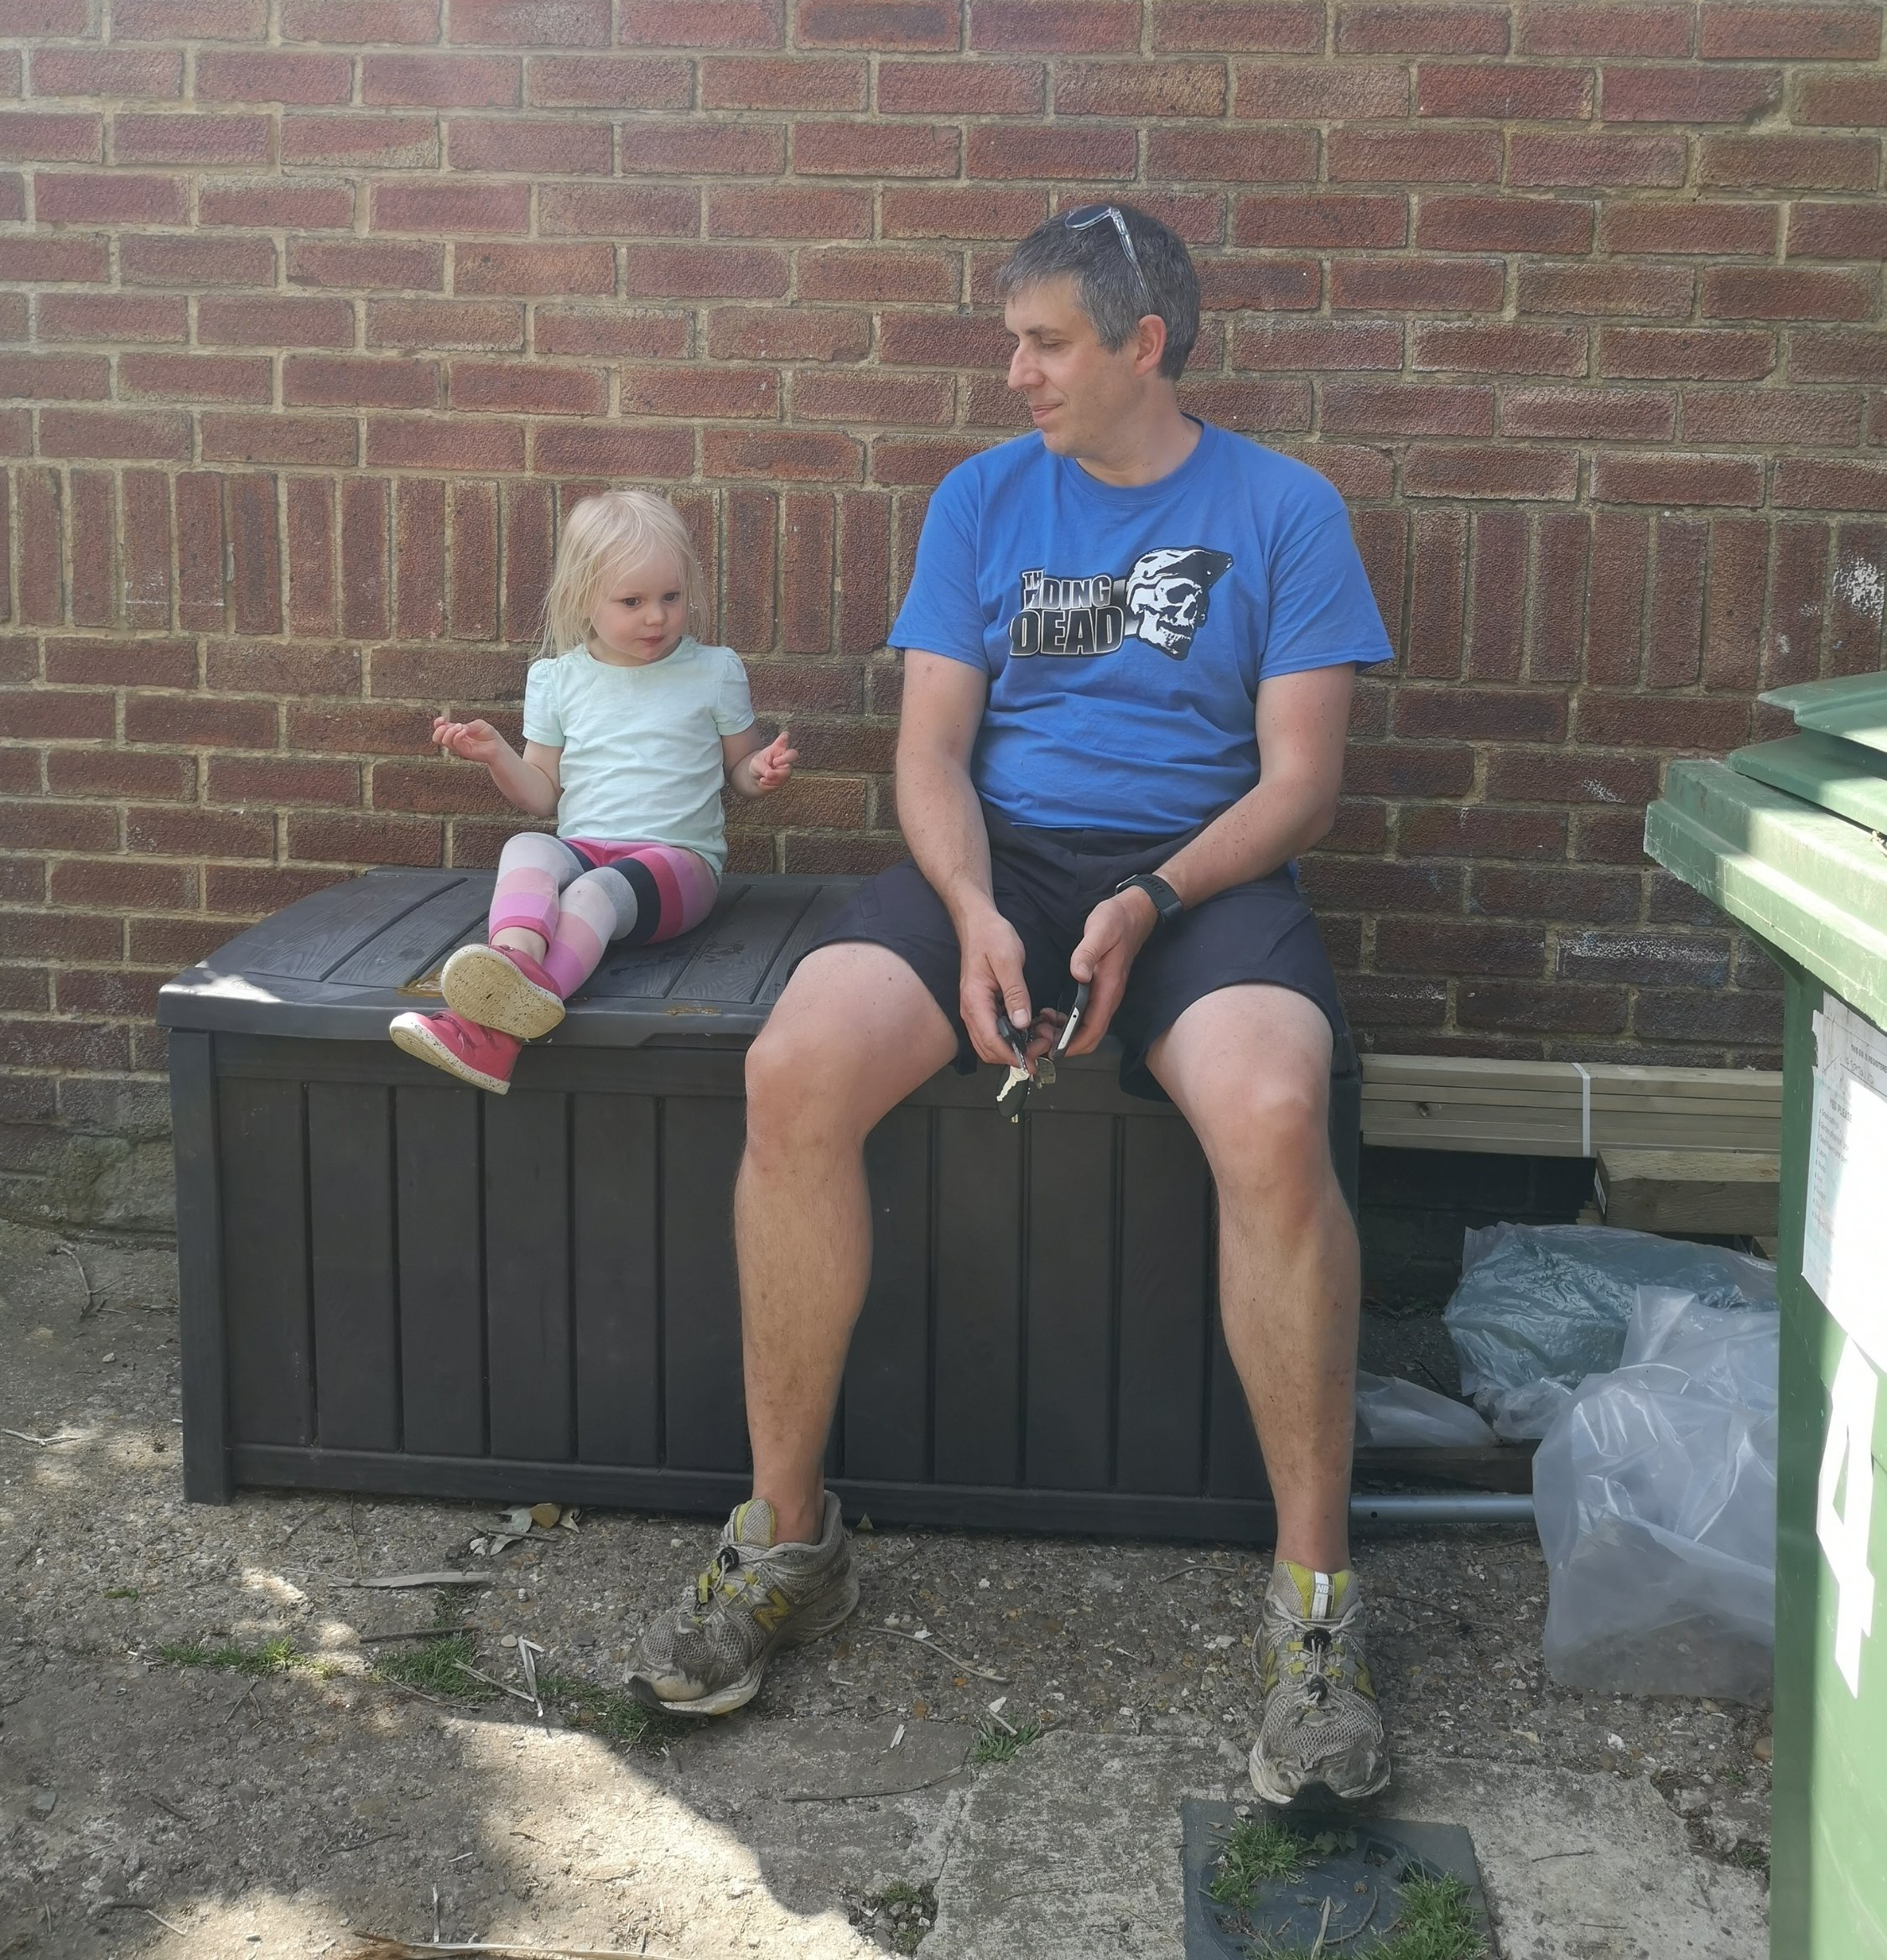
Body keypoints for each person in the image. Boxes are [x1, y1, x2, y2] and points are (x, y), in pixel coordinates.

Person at [626, 205, 1396, 1808]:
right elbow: (929, 753)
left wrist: (1153, 898)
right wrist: (977, 912)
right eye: (1014, 342)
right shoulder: (982, 498)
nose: (1017, 371)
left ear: (1143, 344)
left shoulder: (1286, 510)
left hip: (1204, 877)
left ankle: (1315, 1613)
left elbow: (1302, 784)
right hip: (1008, 862)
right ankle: (786, 1544)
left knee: (1275, 1114)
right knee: (795, 1068)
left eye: (1047, 343)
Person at [390, 486, 796, 1094]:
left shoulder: (713, 671)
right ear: (584, 598)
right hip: (585, 848)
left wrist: (759, 771)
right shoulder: (558, 680)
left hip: (677, 864)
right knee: (527, 847)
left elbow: (737, 771)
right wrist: (497, 755)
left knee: (593, 891)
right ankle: (514, 965)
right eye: (632, 601)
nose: (656, 617)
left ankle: (488, 1027)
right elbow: (542, 796)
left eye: (671, 597)